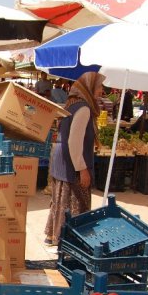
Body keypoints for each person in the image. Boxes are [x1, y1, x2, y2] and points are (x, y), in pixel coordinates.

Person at [44, 72, 106, 246]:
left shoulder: (71, 104)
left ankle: (54, 235)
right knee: (74, 202)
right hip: (71, 160)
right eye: (99, 87)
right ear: (89, 88)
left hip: (62, 157)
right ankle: (69, 241)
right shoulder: (84, 108)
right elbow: (74, 141)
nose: (101, 90)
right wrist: (82, 168)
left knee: (60, 200)